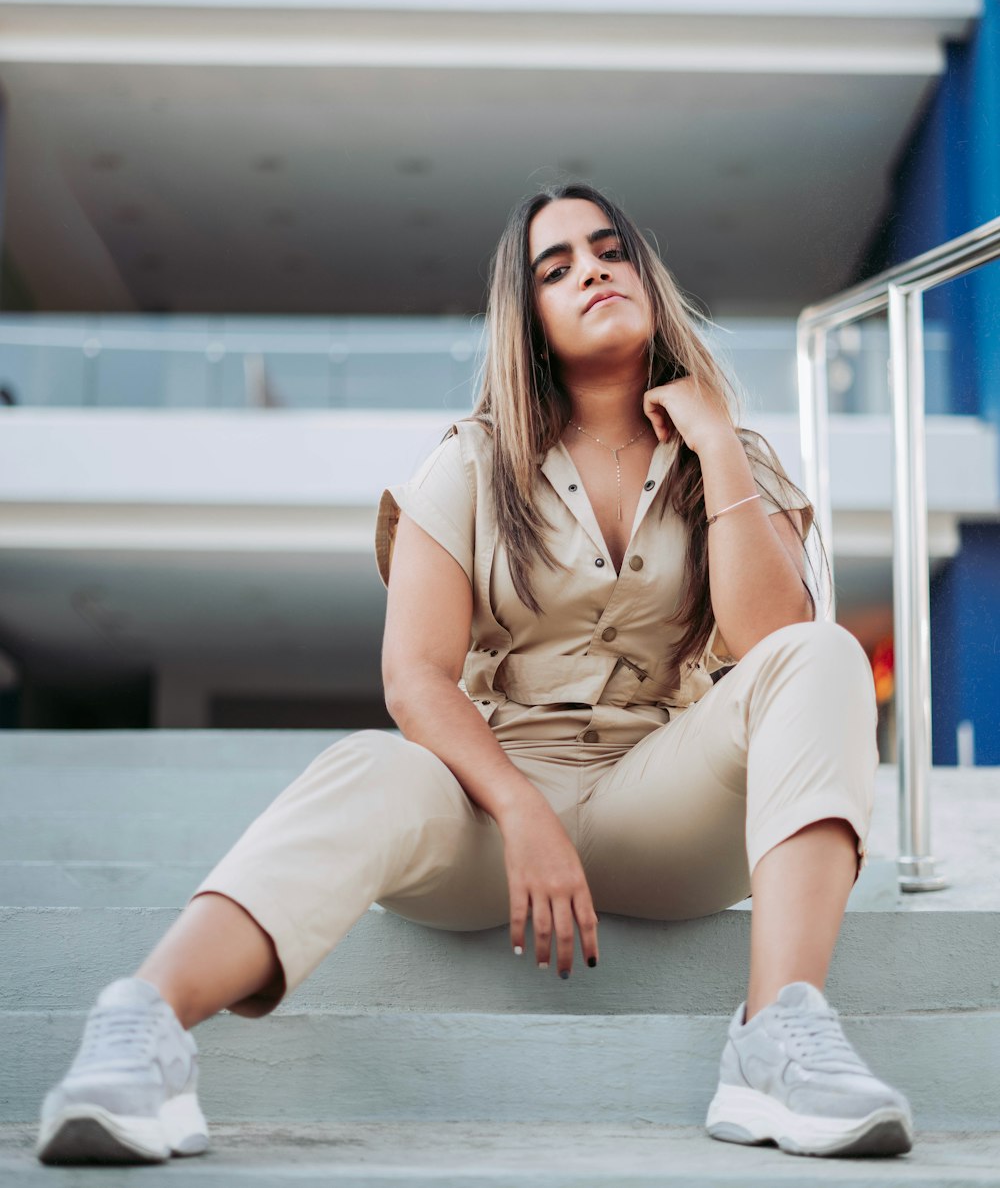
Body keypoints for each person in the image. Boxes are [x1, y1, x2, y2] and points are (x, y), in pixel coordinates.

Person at [35, 182, 913, 1166]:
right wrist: (520, 809)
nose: (591, 268)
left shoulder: (737, 459)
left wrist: (717, 443)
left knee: (825, 649)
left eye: (609, 249)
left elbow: (770, 636)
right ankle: (139, 1030)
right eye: (556, 265)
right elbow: (414, 675)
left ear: (647, 278)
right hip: (492, 817)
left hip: (668, 802)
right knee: (370, 763)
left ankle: (777, 1035)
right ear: (527, 318)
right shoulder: (468, 461)